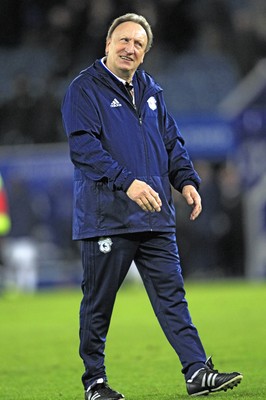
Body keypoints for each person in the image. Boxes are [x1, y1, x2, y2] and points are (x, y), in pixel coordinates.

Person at [62, 13, 243, 400]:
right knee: (99, 304)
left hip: (155, 216)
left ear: (145, 54)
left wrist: (187, 180)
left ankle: (197, 371)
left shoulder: (151, 89)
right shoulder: (84, 89)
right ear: (107, 44)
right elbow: (83, 149)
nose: (130, 48)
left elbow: (171, 141)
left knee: (172, 297)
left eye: (138, 44)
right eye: (124, 40)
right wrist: (127, 182)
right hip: (106, 218)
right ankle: (95, 383)